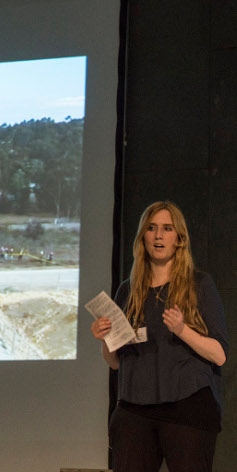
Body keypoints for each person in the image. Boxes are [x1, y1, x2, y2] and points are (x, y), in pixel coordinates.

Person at [90, 201, 228, 472]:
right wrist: (105, 339)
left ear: (179, 239)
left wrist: (183, 330)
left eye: (167, 229)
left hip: (187, 409)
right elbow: (116, 362)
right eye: (151, 228)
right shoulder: (127, 291)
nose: (158, 235)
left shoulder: (199, 284)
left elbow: (220, 355)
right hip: (133, 411)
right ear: (143, 236)